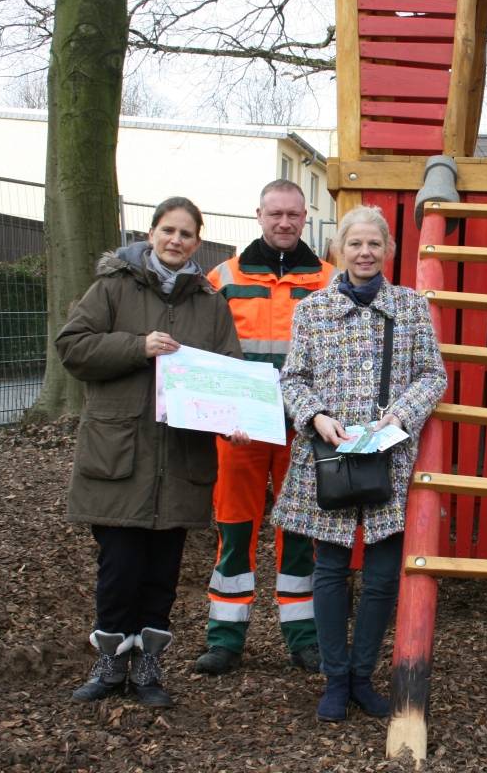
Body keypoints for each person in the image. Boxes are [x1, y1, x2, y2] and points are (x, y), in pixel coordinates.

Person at [57, 196, 247, 707]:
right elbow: (72, 346)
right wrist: (137, 346)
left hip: (180, 461)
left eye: (186, 234)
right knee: (119, 570)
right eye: (168, 230)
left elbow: (228, 373)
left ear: (197, 242)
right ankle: (110, 664)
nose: (176, 241)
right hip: (119, 456)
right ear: (151, 233)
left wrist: (235, 420)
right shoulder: (113, 288)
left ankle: (148, 670)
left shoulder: (210, 304)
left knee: (162, 574)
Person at [274, 204, 446, 722]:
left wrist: (399, 415)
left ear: (389, 250)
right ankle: (334, 678)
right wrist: (317, 417)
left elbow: (432, 375)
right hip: (327, 456)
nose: (365, 252)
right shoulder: (312, 311)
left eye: (375, 244)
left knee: (381, 575)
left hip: (387, 457)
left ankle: (362, 675)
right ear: (338, 250)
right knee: (328, 570)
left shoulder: (411, 308)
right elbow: (292, 378)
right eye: (355, 244)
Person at [195, 180, 336, 675]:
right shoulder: (223, 278)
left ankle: (303, 638)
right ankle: (225, 639)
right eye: (275, 213)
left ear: (304, 217)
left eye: (293, 214)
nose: (284, 223)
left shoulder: (329, 280)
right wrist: (218, 413)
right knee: (235, 531)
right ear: (258, 214)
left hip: (304, 432)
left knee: (300, 533)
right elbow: (204, 353)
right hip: (241, 431)